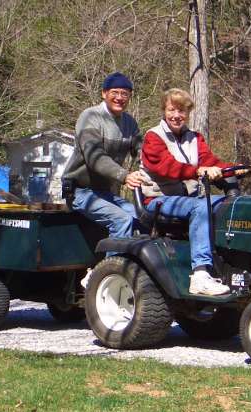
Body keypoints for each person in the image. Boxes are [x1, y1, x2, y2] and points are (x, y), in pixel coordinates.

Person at [140, 88, 250, 296]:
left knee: (231, 204)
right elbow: (167, 167)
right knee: (202, 205)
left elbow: (210, 162)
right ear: (164, 110)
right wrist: (198, 171)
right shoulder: (153, 138)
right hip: (158, 200)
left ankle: (233, 263)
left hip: (187, 199)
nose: (177, 115)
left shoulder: (194, 138)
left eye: (182, 111)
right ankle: (200, 274)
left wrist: (233, 168)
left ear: (188, 113)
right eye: (172, 109)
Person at [62, 72, 148, 287]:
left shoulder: (129, 123)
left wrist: (154, 170)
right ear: (104, 93)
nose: (120, 98)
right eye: (115, 93)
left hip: (107, 194)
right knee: (122, 220)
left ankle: (132, 272)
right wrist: (124, 176)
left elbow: (143, 152)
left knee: (144, 218)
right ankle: (105, 279)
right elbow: (94, 158)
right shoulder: (90, 117)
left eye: (125, 94)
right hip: (81, 192)